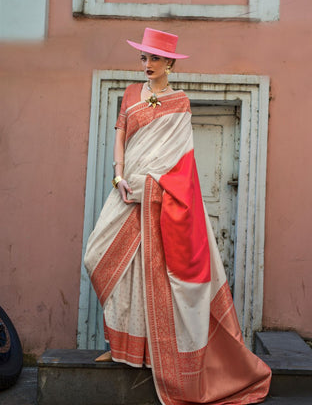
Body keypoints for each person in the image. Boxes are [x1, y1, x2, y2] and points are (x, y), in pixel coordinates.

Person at [84, 28, 271, 404]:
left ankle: (151, 353)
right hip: (126, 190)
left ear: (170, 62)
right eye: (144, 58)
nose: (148, 65)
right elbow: (121, 136)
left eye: (155, 58)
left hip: (158, 196)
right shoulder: (132, 94)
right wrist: (119, 176)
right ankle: (122, 346)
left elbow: (182, 161)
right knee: (99, 259)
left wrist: (154, 187)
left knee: (153, 273)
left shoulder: (180, 101)